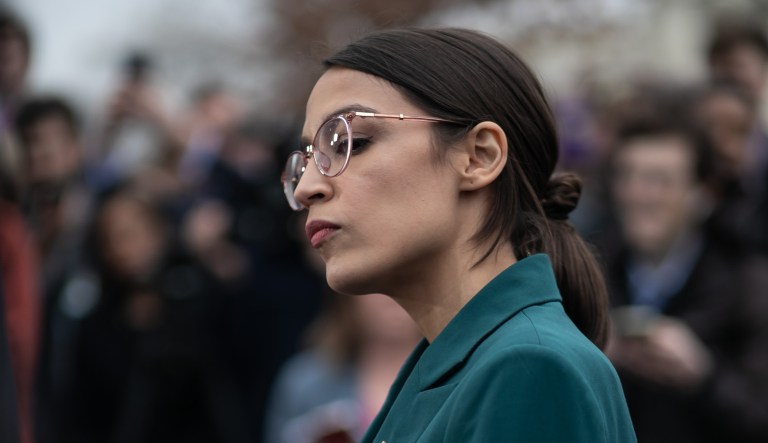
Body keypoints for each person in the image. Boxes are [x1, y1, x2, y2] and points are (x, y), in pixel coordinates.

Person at [281, 27, 636, 442]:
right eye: (306, 161)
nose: (307, 188)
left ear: (479, 156)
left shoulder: (527, 369)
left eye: (351, 142)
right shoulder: (463, 365)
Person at [598, 111, 768, 443]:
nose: (638, 194)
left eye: (660, 180)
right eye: (626, 175)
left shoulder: (749, 286)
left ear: (702, 194)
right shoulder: (588, 275)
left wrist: (704, 375)